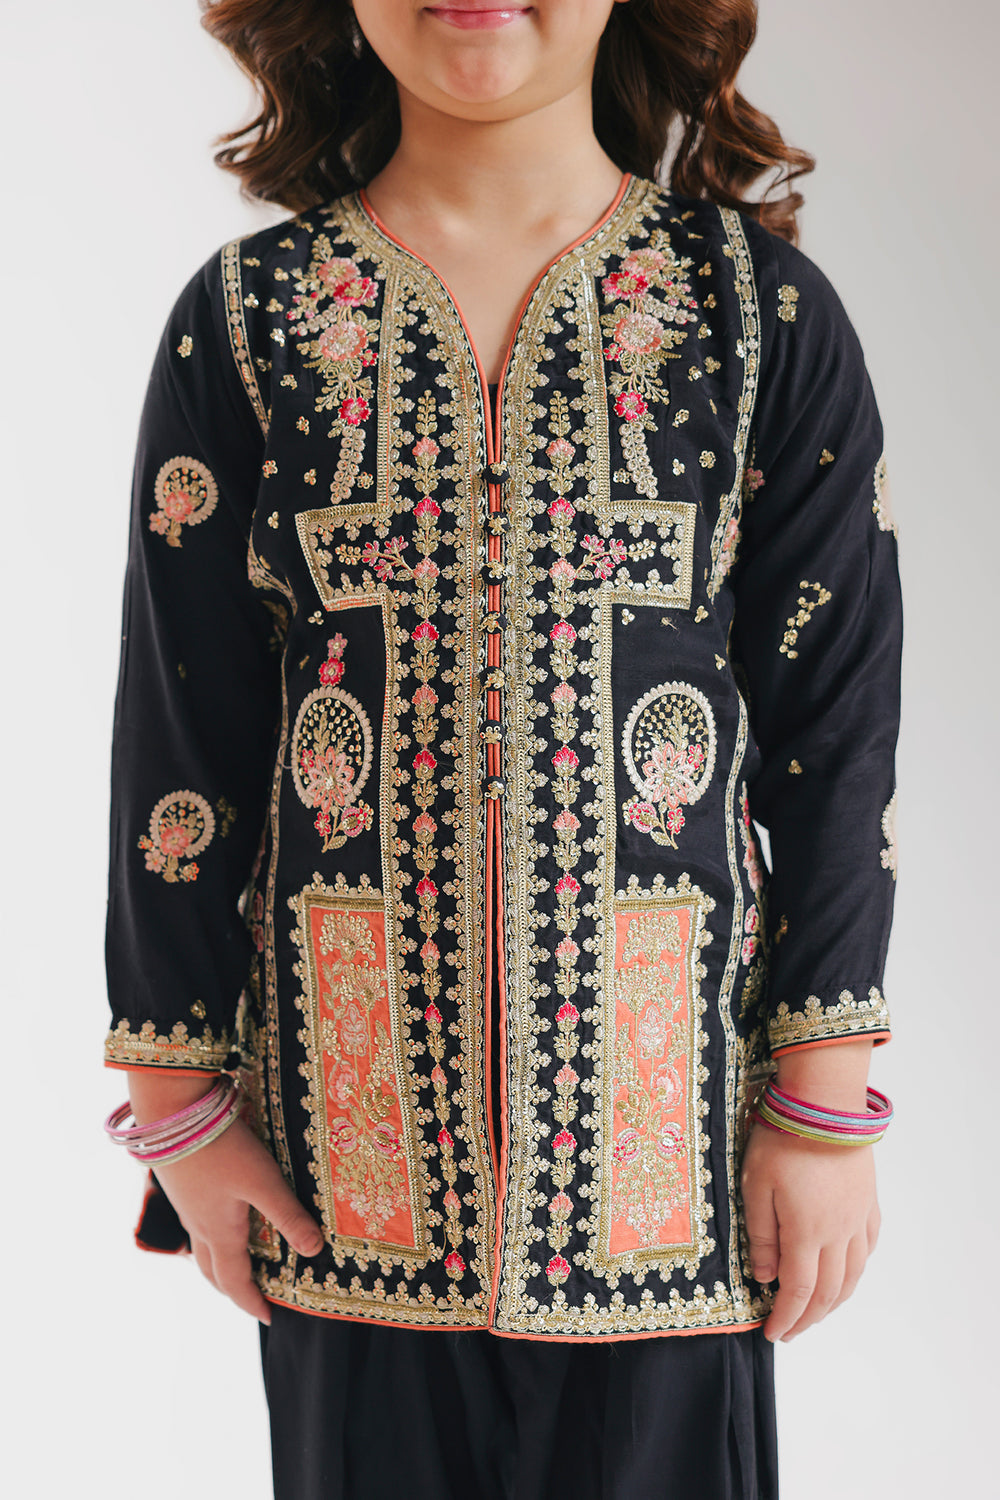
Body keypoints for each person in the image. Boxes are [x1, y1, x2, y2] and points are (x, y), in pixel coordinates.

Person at [103, 1, 902, 1496]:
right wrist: (178, 1108)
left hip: (667, 1173)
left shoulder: (753, 312)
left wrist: (824, 1106)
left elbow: (838, 733)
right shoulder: (250, 321)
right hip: (350, 1174)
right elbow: (179, 734)